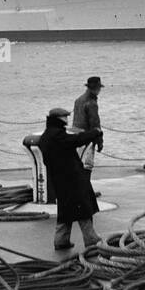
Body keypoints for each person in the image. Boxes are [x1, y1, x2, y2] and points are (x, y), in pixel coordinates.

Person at [39, 107, 104, 250]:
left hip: (59, 179)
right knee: (83, 208)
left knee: (65, 210)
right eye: (65, 116)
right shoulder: (57, 135)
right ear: (59, 119)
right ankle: (91, 239)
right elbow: (76, 140)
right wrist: (94, 132)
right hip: (72, 178)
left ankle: (61, 240)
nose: (67, 118)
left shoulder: (46, 136)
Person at [72, 76, 105, 175]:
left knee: (78, 164)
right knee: (87, 165)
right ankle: (85, 189)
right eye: (99, 88)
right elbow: (95, 123)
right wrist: (99, 141)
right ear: (96, 89)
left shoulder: (78, 100)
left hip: (76, 136)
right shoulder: (91, 103)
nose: (99, 90)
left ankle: (79, 188)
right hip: (87, 138)